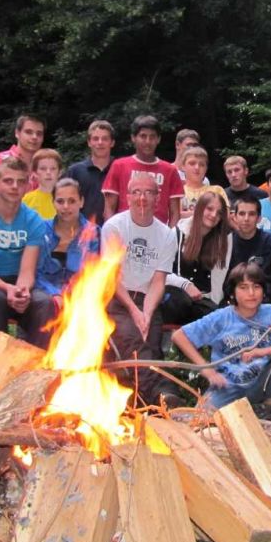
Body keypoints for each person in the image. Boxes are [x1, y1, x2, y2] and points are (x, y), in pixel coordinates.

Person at [172, 262, 271, 416]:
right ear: (233, 293)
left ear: (263, 290)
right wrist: (206, 369)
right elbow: (179, 336)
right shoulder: (221, 317)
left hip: (263, 382)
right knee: (199, 419)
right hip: (227, 387)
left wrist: (261, 352)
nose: (251, 293)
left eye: (256, 287)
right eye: (243, 287)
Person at [101, 172, 179, 406]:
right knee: (136, 342)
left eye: (148, 192)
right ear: (127, 197)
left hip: (148, 299)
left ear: (158, 198)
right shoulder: (114, 226)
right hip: (118, 298)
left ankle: (141, 400)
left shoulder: (166, 235)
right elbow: (111, 278)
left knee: (151, 343)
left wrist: (145, 312)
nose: (142, 198)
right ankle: (164, 396)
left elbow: (158, 281)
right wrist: (134, 313)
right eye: (136, 192)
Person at [0, 157, 53, 348]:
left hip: (18, 280)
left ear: (27, 185)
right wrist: (6, 289)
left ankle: (35, 366)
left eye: (21, 182)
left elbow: (27, 270)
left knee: (44, 303)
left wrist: (21, 290)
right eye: (8, 181)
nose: (15, 186)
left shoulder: (33, 220)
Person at [102, 115, 184, 227]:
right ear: (133, 138)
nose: (148, 141)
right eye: (143, 136)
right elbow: (109, 208)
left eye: (152, 137)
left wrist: (170, 238)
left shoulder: (170, 171)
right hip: (124, 232)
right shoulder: (119, 165)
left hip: (158, 234)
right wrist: (113, 234)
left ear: (158, 139)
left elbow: (175, 213)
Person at [163, 192, 232, 324]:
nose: (213, 215)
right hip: (175, 292)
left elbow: (219, 278)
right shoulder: (176, 233)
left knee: (214, 316)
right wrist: (185, 285)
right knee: (181, 303)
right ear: (199, 208)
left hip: (201, 298)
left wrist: (214, 307)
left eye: (219, 213)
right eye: (210, 209)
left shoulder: (223, 240)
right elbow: (162, 272)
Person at [36, 178, 100, 301]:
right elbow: (35, 273)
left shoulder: (93, 233)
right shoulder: (41, 230)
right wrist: (54, 294)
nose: (66, 207)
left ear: (81, 202)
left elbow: (94, 273)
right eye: (60, 201)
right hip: (47, 296)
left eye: (72, 201)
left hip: (80, 296)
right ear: (53, 202)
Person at [229, 196, 271, 304]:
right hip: (232, 301)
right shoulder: (227, 242)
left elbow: (268, 281)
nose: (246, 218)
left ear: (259, 218)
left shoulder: (270, 242)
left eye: (251, 214)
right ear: (234, 217)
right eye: (242, 214)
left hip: (262, 302)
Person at [64, 120, 116, 225]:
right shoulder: (75, 171)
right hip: (82, 235)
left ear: (112, 142)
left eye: (105, 139)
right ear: (89, 142)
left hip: (114, 235)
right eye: (95, 139)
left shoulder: (120, 169)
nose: (100, 143)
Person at [179, 145, 228, 218]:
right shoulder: (178, 192)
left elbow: (225, 216)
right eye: (192, 163)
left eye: (202, 165)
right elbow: (175, 216)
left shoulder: (217, 191)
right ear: (183, 166)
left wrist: (188, 214)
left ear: (206, 168)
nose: (197, 167)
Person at [23, 149, 63, 219]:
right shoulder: (26, 200)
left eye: (53, 169)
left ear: (59, 173)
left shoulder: (66, 199)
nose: (48, 172)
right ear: (34, 173)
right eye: (43, 169)